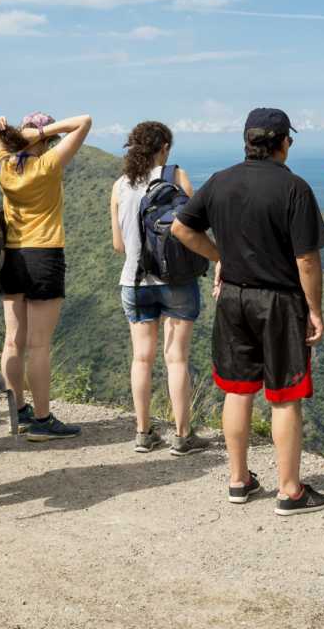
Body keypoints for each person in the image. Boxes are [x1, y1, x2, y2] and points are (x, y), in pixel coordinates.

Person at [172, 108, 324, 516]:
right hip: (279, 302)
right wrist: (314, 309)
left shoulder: (220, 181)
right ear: (283, 143)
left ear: (247, 141)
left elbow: (181, 228)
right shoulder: (294, 188)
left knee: (238, 390)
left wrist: (219, 256)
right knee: (284, 396)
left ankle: (239, 480)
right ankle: (289, 490)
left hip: (233, 299)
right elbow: (308, 260)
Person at [0, 110, 91, 441]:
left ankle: (18, 412)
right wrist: (42, 133)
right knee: (38, 345)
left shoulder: (1, 164)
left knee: (13, 341)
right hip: (44, 255)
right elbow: (84, 121)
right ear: (45, 140)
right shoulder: (48, 165)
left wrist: (11, 130)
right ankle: (42, 420)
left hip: (11, 257)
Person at [110, 121, 209, 455]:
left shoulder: (119, 185)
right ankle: (183, 437)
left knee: (141, 359)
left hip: (133, 282)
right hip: (176, 281)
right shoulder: (176, 176)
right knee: (176, 359)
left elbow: (118, 245)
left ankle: (143, 432)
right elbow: (192, 229)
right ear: (164, 147)